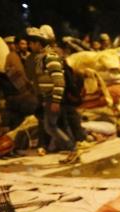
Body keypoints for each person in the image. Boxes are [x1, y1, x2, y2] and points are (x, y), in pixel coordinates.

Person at [26, 27, 77, 160]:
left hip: (51, 97)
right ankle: (72, 149)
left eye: (32, 43)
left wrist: (55, 101)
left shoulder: (50, 58)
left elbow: (59, 81)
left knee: (50, 127)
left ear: (39, 43)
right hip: (47, 98)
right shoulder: (41, 58)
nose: (30, 46)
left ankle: (72, 149)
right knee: (50, 126)